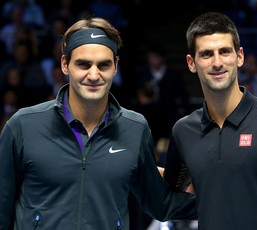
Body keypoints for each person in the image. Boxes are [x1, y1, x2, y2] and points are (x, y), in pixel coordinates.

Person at [0, 17, 197, 230]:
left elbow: (161, 204)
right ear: (65, 65)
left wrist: (224, 201)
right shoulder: (23, 125)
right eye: (83, 64)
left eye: (103, 65)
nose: (94, 75)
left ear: (115, 67)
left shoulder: (135, 128)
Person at [163, 11, 257, 230]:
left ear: (240, 56)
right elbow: (168, 192)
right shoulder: (183, 131)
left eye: (225, 52)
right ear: (191, 63)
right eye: (207, 54)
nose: (217, 62)